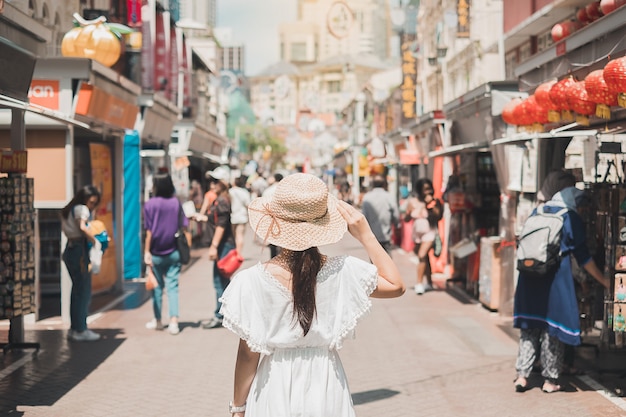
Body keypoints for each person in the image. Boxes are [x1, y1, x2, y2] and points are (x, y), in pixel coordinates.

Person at [219, 173, 405, 416]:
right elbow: (396, 285)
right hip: (326, 382)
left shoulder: (250, 281)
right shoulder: (343, 271)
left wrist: (238, 407)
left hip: (274, 384)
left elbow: (247, 354)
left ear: (276, 222)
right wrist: (366, 235)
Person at [513, 185, 610, 393]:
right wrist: (604, 281)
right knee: (552, 329)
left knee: (529, 327)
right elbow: (583, 258)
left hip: (529, 277)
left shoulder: (537, 211)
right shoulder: (570, 217)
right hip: (554, 279)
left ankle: (522, 376)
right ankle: (550, 380)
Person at [143, 173, 189, 336]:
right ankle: (174, 322)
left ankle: (157, 320)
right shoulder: (175, 203)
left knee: (156, 288)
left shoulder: (150, 204)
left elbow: (149, 231)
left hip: (155, 251)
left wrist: (146, 251)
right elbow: (184, 225)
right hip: (174, 251)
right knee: (172, 287)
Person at [61, 185, 102, 342]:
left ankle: (75, 328)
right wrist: (94, 240)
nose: (92, 206)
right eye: (92, 202)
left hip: (70, 249)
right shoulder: (81, 209)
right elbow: (82, 227)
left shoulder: (69, 209)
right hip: (79, 250)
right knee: (83, 291)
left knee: (76, 291)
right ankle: (81, 329)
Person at [197, 172, 235, 329]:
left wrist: (213, 246)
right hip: (223, 244)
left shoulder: (222, 201)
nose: (211, 184)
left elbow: (221, 225)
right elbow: (217, 221)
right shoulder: (221, 200)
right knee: (223, 281)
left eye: (215, 181)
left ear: (222, 183)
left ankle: (220, 316)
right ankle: (226, 314)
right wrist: (202, 218)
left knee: (219, 281)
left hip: (222, 245)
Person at [405, 178, 442, 295]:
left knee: (421, 256)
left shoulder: (434, 202)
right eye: (425, 189)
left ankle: (419, 283)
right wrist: (409, 212)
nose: (427, 191)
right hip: (417, 234)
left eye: (429, 189)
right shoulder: (413, 202)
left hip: (430, 232)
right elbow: (406, 219)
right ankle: (429, 283)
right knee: (424, 258)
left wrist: (429, 204)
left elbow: (438, 216)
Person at [360, 174, 399, 254]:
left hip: (372, 236)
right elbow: (395, 214)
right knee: (387, 261)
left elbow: (364, 217)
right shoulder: (389, 196)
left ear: (373, 184)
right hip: (386, 235)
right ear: (384, 184)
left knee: (374, 261)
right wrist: (397, 226)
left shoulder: (367, 197)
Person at [261, 172, 284, 257]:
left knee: (272, 240)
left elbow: (263, 205)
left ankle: (273, 258)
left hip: (271, 217)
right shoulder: (285, 191)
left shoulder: (268, 190)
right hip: (282, 217)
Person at [229, 175, 251, 255]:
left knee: (233, 236)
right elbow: (248, 204)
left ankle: (234, 252)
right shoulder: (244, 192)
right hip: (242, 216)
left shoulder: (229, 192)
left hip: (232, 216)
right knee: (240, 235)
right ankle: (238, 253)